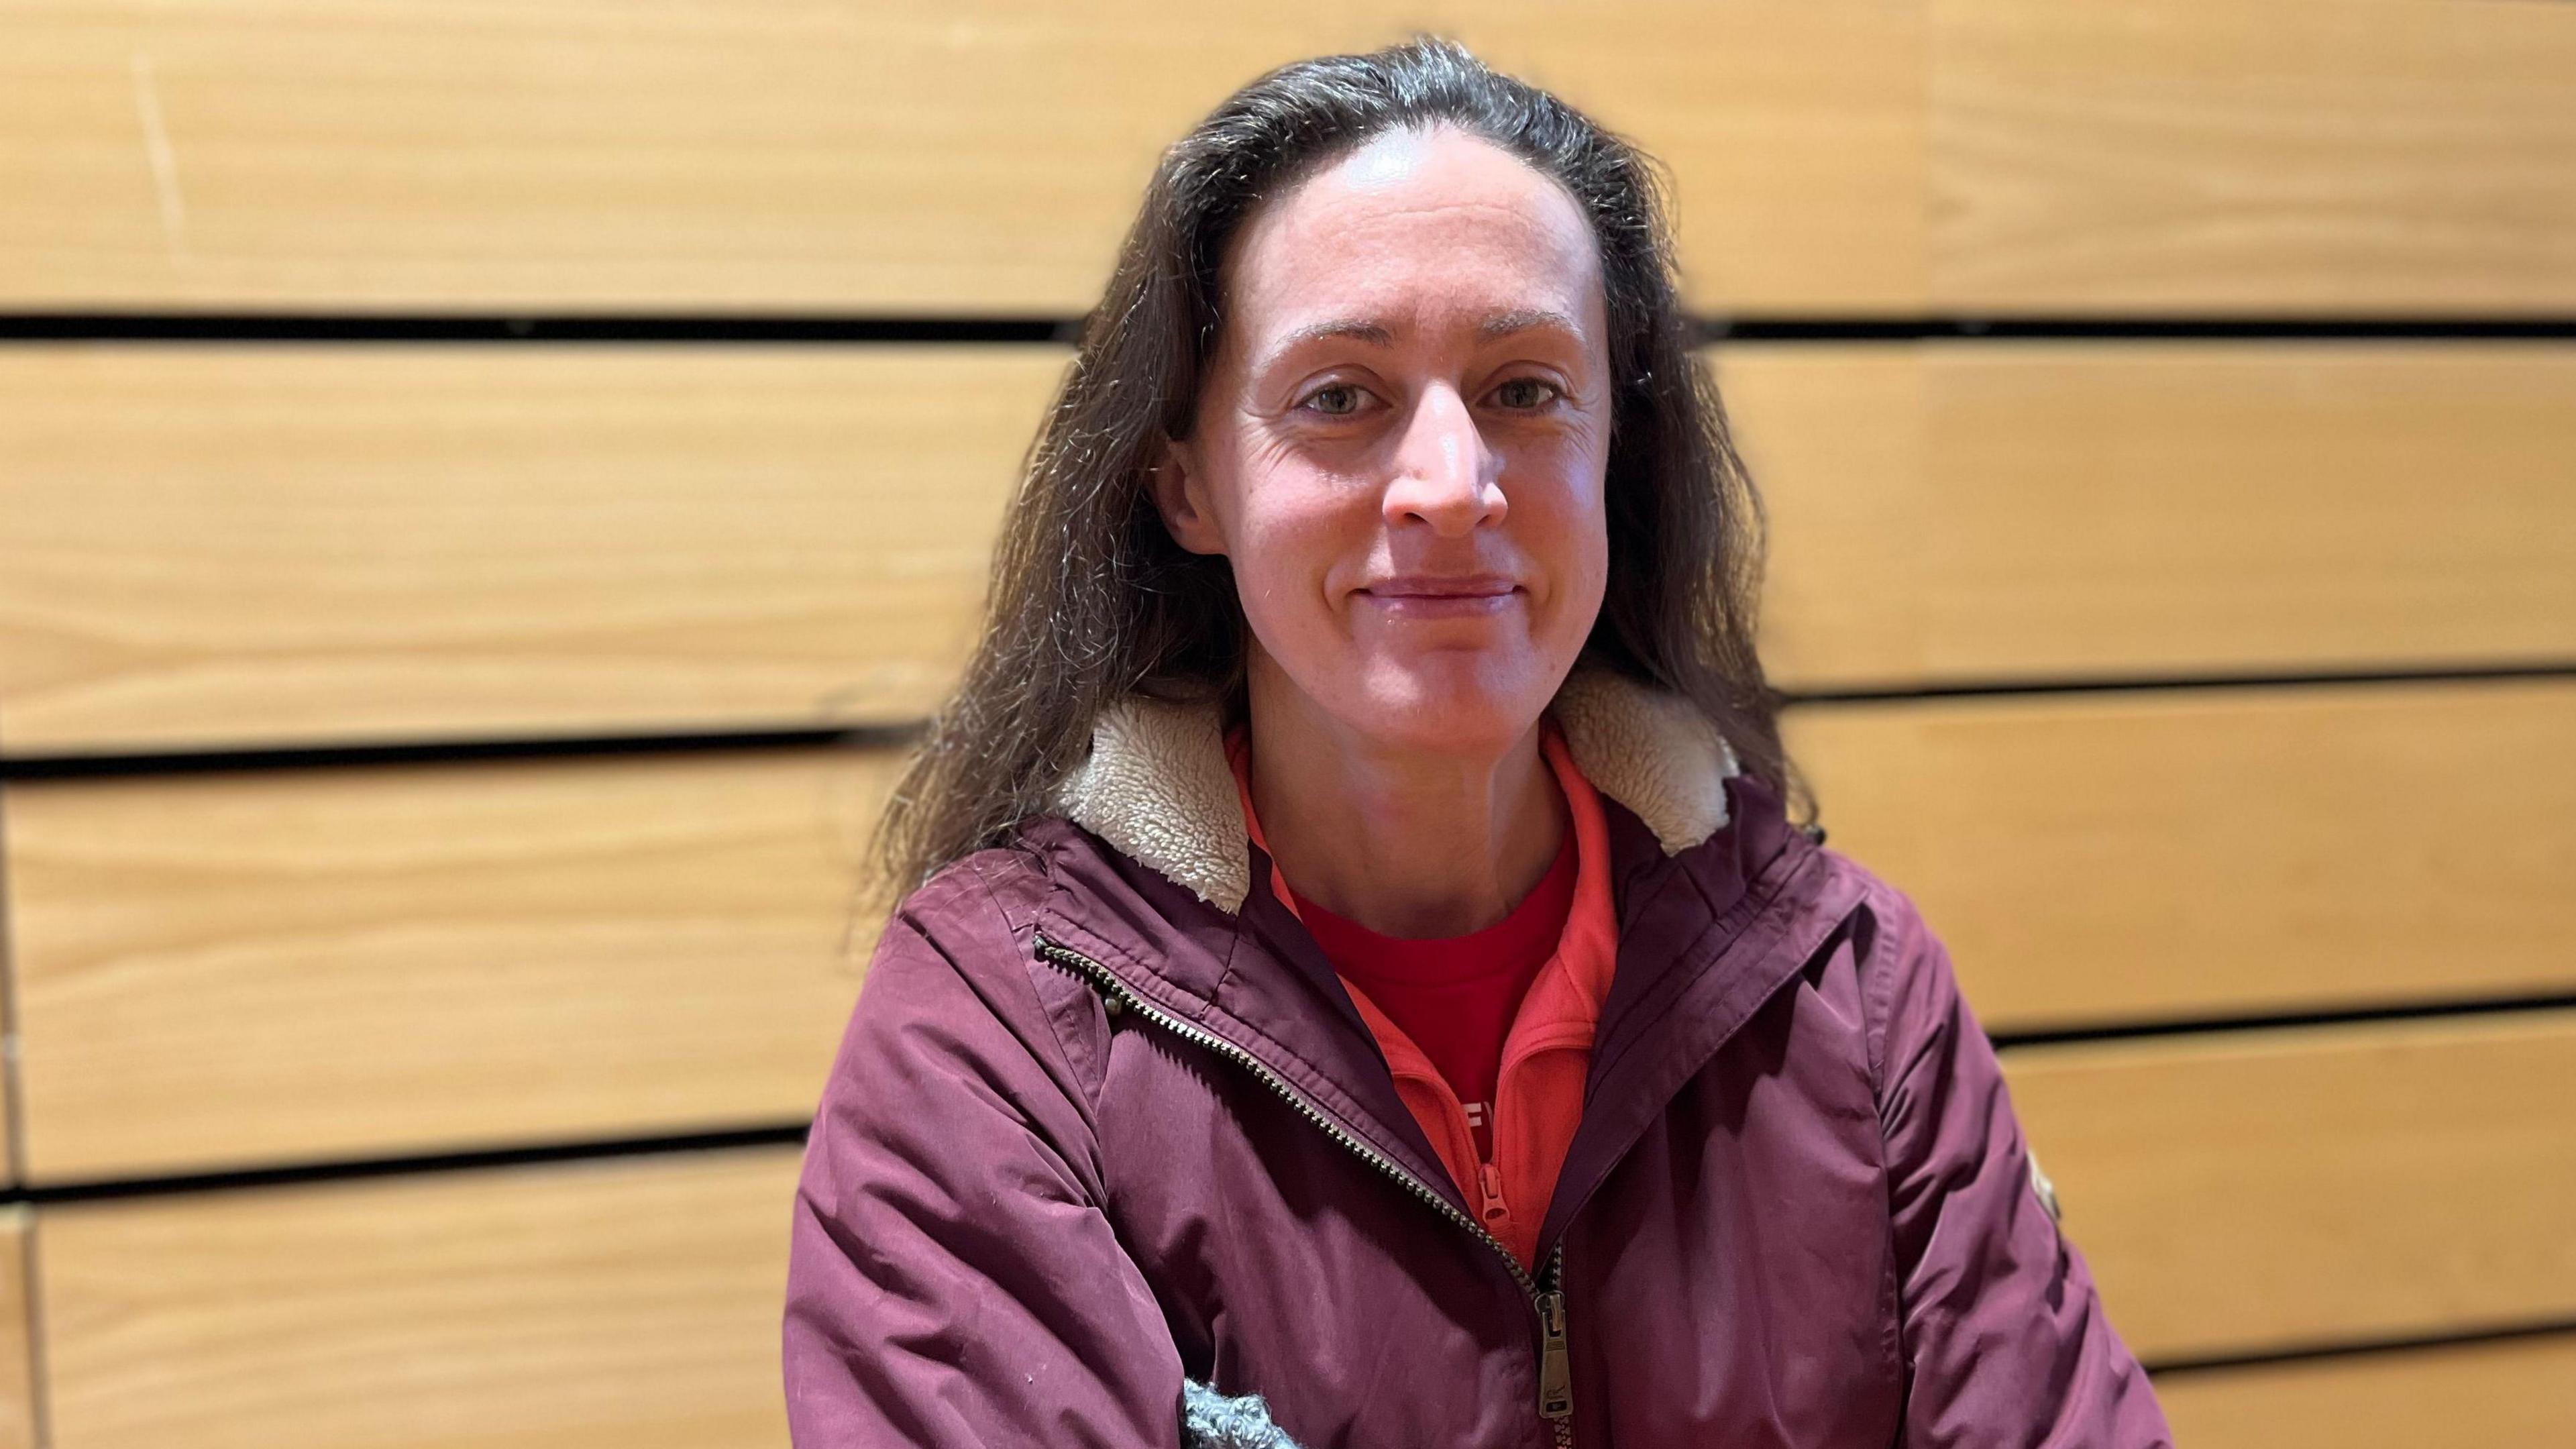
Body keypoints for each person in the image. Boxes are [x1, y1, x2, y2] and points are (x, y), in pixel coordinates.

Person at [784, 37, 2171, 1448]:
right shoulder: (990, 1045)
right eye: (1342, 396)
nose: (1452, 486)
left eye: (1525, 390)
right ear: (1187, 485)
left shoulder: (1858, 1004)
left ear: (1613, 457)